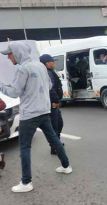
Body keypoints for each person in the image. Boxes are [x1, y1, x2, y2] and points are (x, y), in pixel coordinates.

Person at [0, 42, 72, 193]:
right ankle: (66, 166)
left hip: (29, 114)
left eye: (9, 54)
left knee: (24, 147)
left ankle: (26, 182)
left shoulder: (22, 69)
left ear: (17, 53)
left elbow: (13, 93)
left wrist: (1, 85)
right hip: (43, 110)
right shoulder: (40, 65)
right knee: (53, 139)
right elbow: (50, 86)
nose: (8, 58)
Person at [40, 54, 64, 155]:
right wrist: (55, 102)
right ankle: (54, 147)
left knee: (59, 124)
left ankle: (56, 144)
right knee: (55, 127)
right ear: (46, 63)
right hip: (52, 105)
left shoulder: (49, 72)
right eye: (52, 61)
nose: (54, 63)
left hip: (53, 104)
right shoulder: (47, 73)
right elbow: (51, 89)